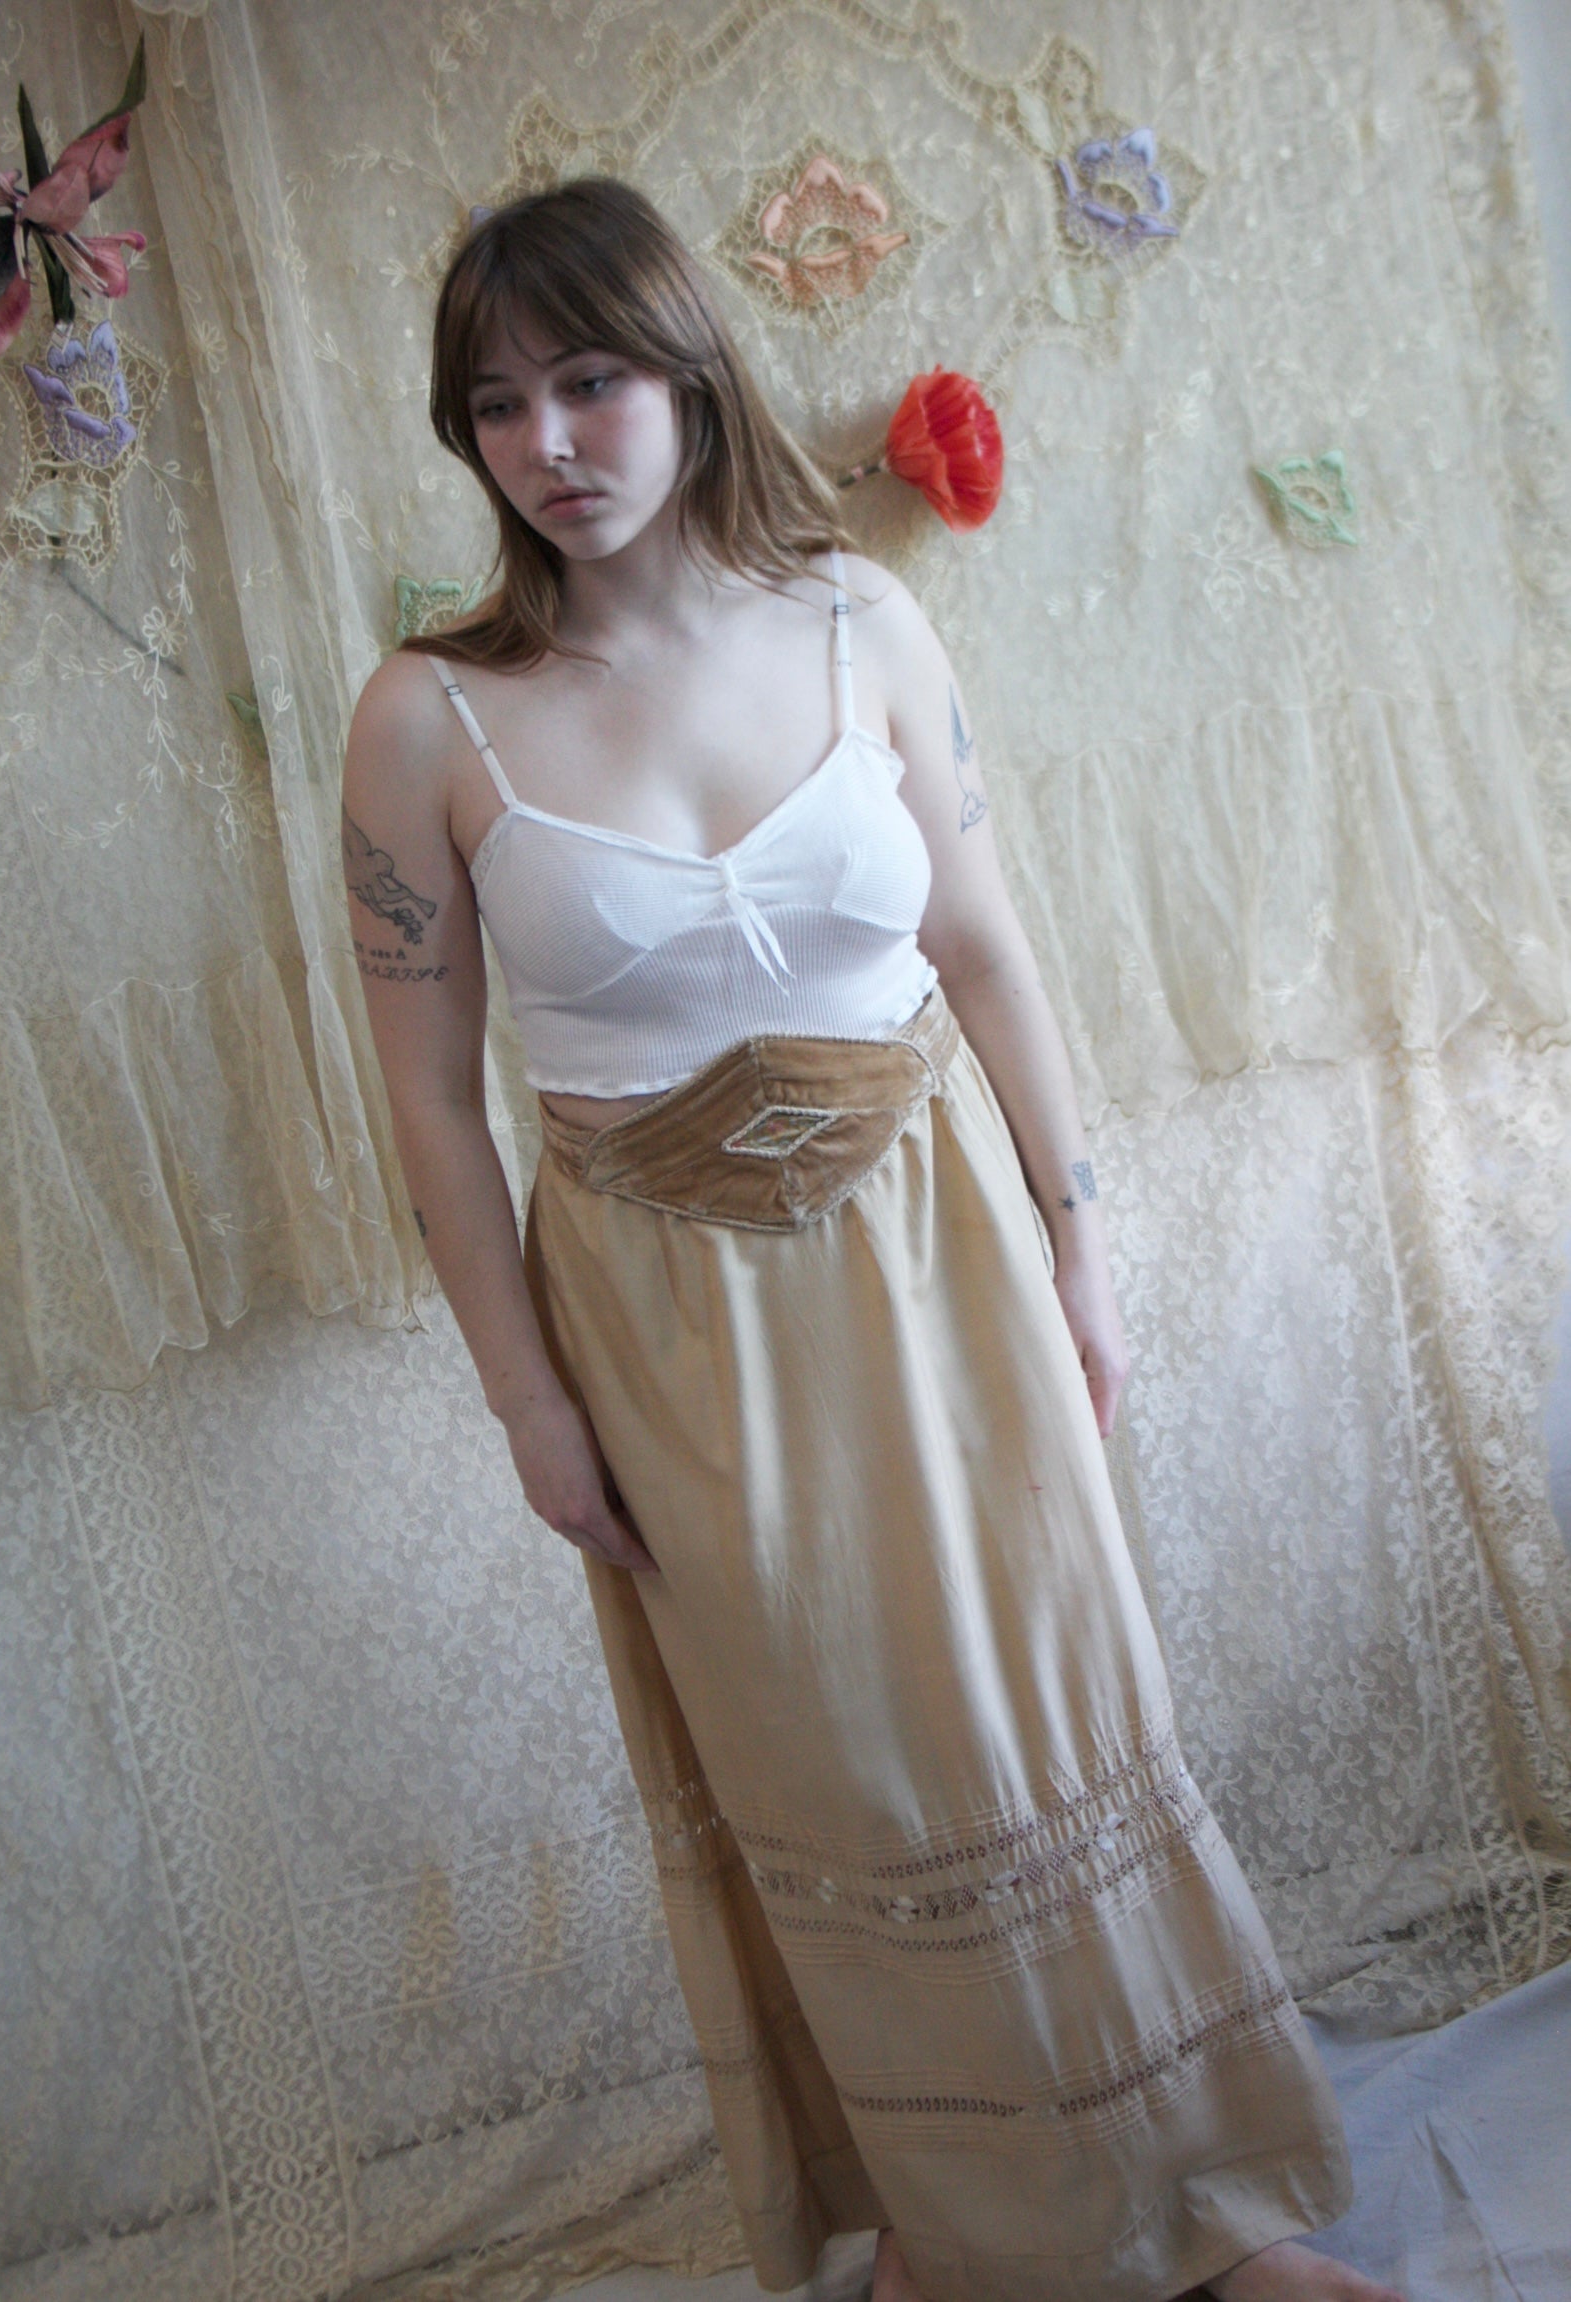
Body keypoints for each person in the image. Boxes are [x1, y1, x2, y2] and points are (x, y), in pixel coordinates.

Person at [341, 178, 1400, 2302]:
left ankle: (1204, 2219)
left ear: (686, 372)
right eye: (496, 405)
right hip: (667, 1317)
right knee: (840, 1771)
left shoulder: (861, 622)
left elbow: (986, 950)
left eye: (587, 379)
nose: (546, 440)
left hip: (943, 1244)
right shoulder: (425, 720)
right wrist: (530, 1406)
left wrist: (1079, 1245)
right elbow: (433, 1112)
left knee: (1048, 1715)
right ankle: (955, 2234)